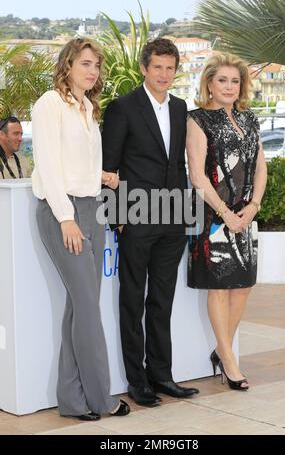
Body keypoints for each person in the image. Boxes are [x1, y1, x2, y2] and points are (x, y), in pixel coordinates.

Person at [31, 38, 130, 420]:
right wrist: (65, 216)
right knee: (88, 310)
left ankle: (71, 400)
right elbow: (50, 166)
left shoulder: (88, 107)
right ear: (68, 64)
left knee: (79, 309)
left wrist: (98, 175)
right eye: (86, 63)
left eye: (97, 66)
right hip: (64, 214)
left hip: (92, 209)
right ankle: (101, 398)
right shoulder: (48, 105)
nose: (93, 71)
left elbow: (77, 161)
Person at [102, 38, 199, 406]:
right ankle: (136, 381)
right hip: (137, 217)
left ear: (176, 71)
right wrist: (117, 217)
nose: (163, 74)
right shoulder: (123, 108)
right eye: (157, 67)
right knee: (132, 301)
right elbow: (109, 167)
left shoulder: (179, 107)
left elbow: (178, 165)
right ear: (144, 68)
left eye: (169, 68)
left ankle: (162, 376)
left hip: (173, 218)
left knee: (162, 300)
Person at [186, 52, 267, 390]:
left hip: (246, 215)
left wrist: (254, 206)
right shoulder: (197, 119)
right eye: (223, 80)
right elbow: (197, 176)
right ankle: (230, 360)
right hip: (213, 216)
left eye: (235, 81)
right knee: (219, 287)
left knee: (243, 285)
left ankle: (221, 350)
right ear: (209, 83)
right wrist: (225, 214)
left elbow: (261, 166)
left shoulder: (250, 120)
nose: (229, 86)